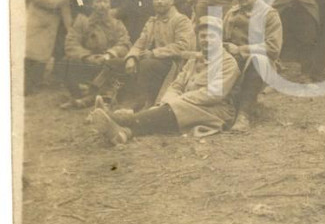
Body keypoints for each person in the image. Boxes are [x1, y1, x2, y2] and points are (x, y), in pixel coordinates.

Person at [91, 16, 241, 146]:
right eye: (202, 36)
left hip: (216, 110)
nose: (206, 40)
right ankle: (124, 133)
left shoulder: (228, 63)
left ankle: (114, 117)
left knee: (172, 108)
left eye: (211, 36)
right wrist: (168, 100)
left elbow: (213, 95)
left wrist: (177, 100)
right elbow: (176, 85)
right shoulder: (194, 61)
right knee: (167, 110)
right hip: (187, 106)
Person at [96, 0, 195, 112]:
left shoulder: (181, 20)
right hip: (151, 60)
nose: (159, 1)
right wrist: (131, 57)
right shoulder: (152, 21)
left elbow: (182, 46)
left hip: (174, 64)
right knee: (112, 64)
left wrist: (154, 53)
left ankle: (144, 103)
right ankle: (106, 102)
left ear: (172, 1)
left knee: (147, 65)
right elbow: (139, 43)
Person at [222, 0, 283, 132]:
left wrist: (242, 50)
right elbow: (221, 38)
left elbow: (273, 48)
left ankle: (244, 115)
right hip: (232, 62)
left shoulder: (269, 14)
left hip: (259, 64)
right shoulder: (231, 13)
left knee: (257, 62)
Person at [60, 0, 131, 108]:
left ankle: (88, 98)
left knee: (117, 64)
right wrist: (86, 56)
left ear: (110, 5)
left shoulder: (117, 24)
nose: (102, 5)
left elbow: (125, 43)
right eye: (98, 1)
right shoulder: (82, 22)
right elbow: (71, 43)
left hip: (107, 65)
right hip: (89, 62)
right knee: (66, 61)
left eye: (105, 1)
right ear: (92, 4)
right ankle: (78, 95)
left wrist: (109, 54)